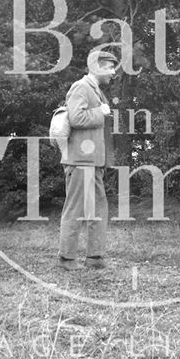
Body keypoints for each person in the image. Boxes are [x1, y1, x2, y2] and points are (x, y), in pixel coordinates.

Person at [58, 49, 118, 270]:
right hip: (80, 161)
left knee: (98, 209)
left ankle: (95, 257)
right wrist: (100, 112)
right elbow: (76, 117)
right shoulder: (81, 87)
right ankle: (67, 258)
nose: (113, 72)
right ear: (97, 67)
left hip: (93, 162)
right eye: (110, 67)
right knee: (75, 209)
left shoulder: (96, 91)